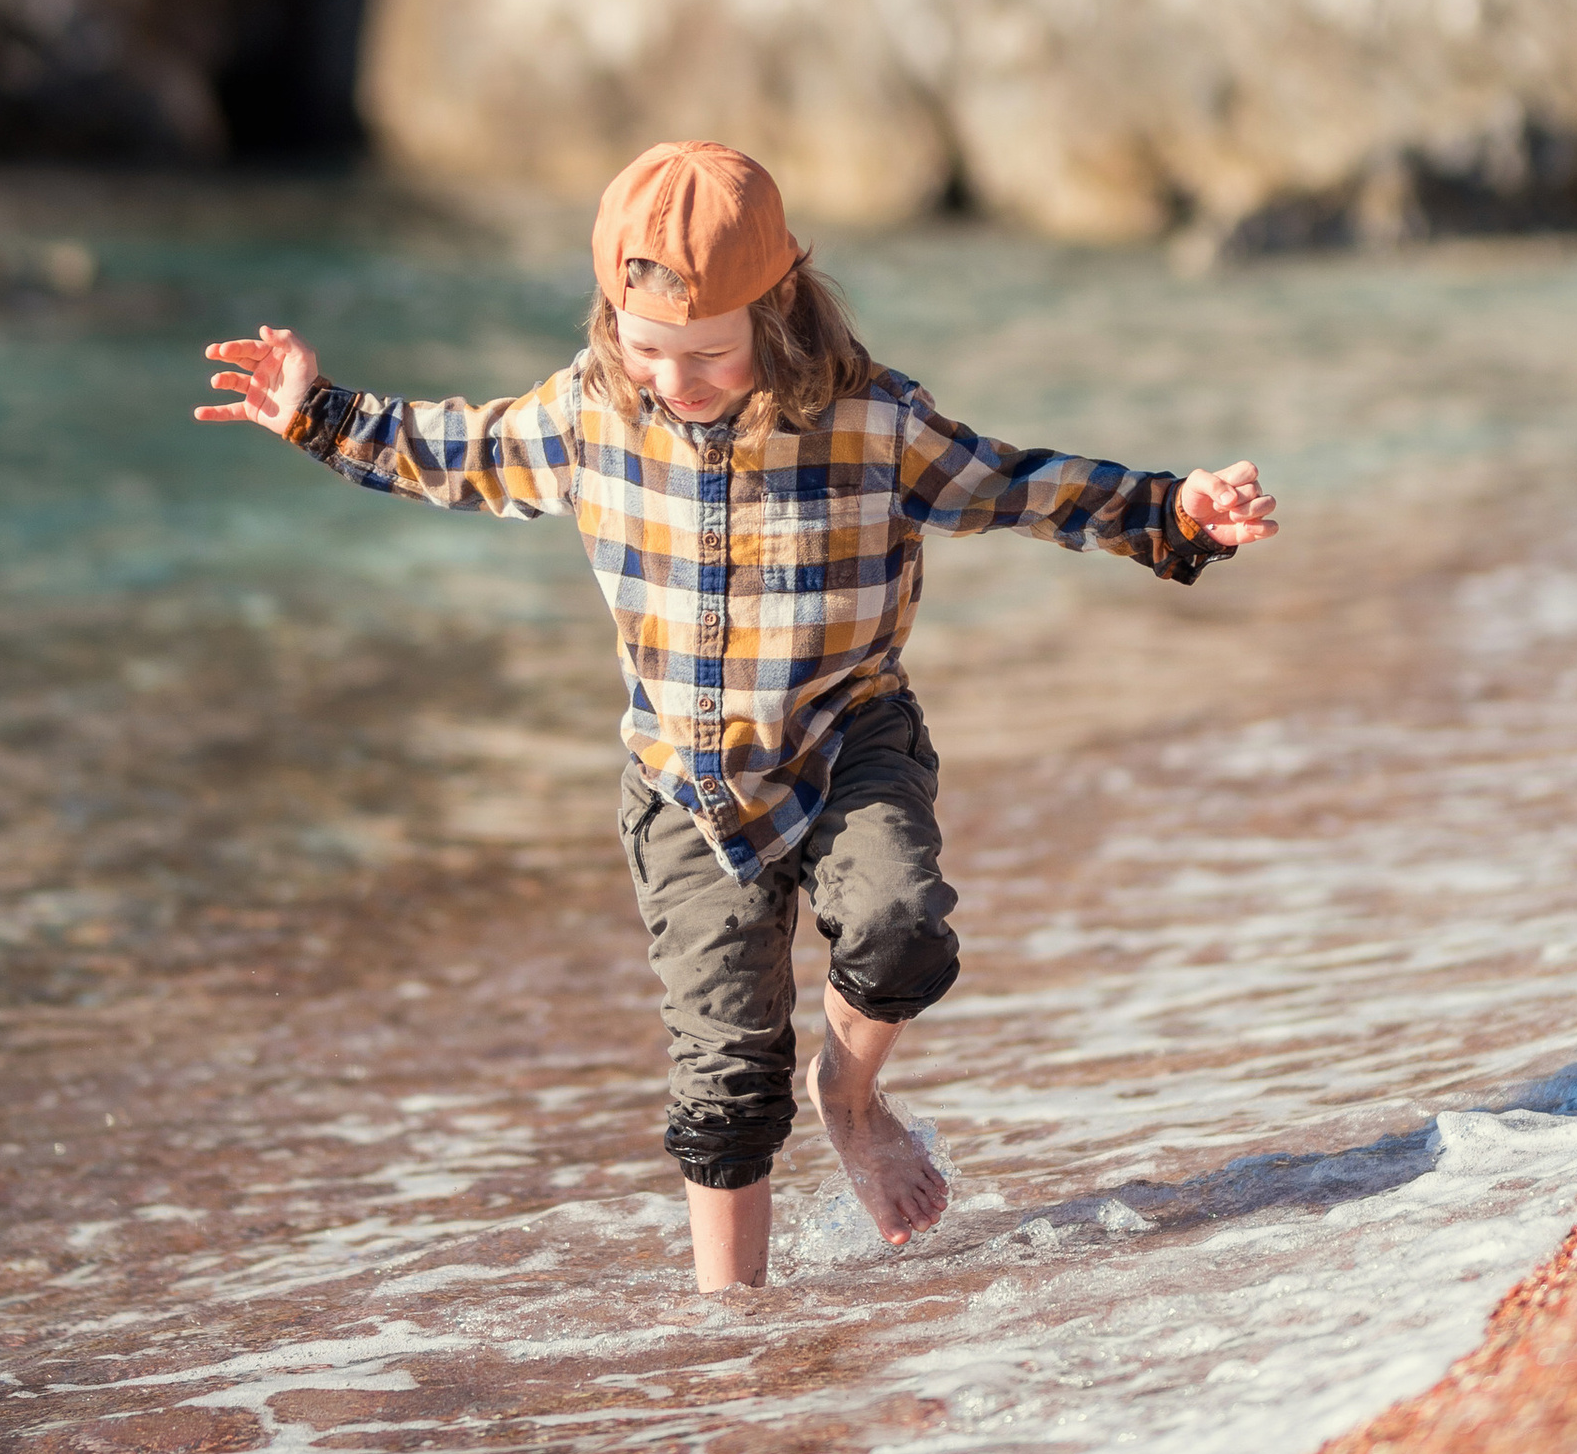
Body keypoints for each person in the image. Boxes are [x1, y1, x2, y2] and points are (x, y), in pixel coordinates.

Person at [197, 137, 1277, 1294]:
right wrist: (319, 414)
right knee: (722, 1080)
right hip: (681, 781)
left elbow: (1020, 486)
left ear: (777, 306)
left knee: (901, 926)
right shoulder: (588, 413)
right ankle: (731, 1345)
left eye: (705, 352)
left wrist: (1174, 510)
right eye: (645, 347)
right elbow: (456, 451)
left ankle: (852, 1098)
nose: (673, 377)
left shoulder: (873, 423)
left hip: (847, 732)